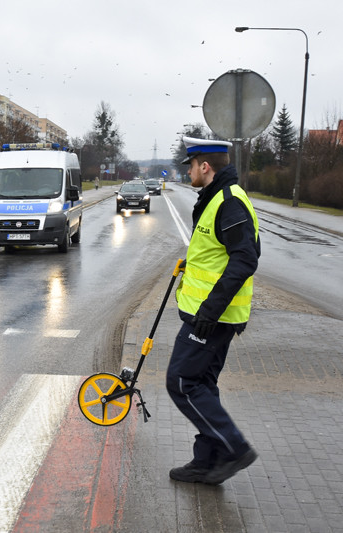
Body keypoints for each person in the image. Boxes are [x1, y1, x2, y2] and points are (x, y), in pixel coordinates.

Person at [167, 137, 260, 485]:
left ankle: (233, 448)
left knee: (181, 382)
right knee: (202, 383)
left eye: (190, 166)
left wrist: (210, 309)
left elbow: (246, 258)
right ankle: (206, 461)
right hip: (209, 316)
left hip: (211, 318)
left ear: (204, 166)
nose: (188, 171)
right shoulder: (216, 198)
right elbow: (220, 251)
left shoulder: (229, 201)